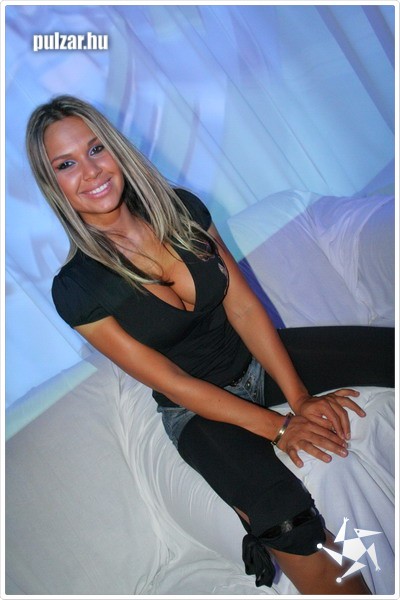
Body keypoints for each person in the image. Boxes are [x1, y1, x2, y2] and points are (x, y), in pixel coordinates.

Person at [26, 95, 394, 595]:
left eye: (96, 149)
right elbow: (173, 382)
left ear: (116, 150)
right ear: (52, 183)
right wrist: (281, 427)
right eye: (66, 164)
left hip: (250, 362)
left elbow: (242, 309)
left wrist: (300, 397)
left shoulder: (182, 210)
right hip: (194, 411)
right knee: (286, 520)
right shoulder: (76, 289)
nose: (90, 172)